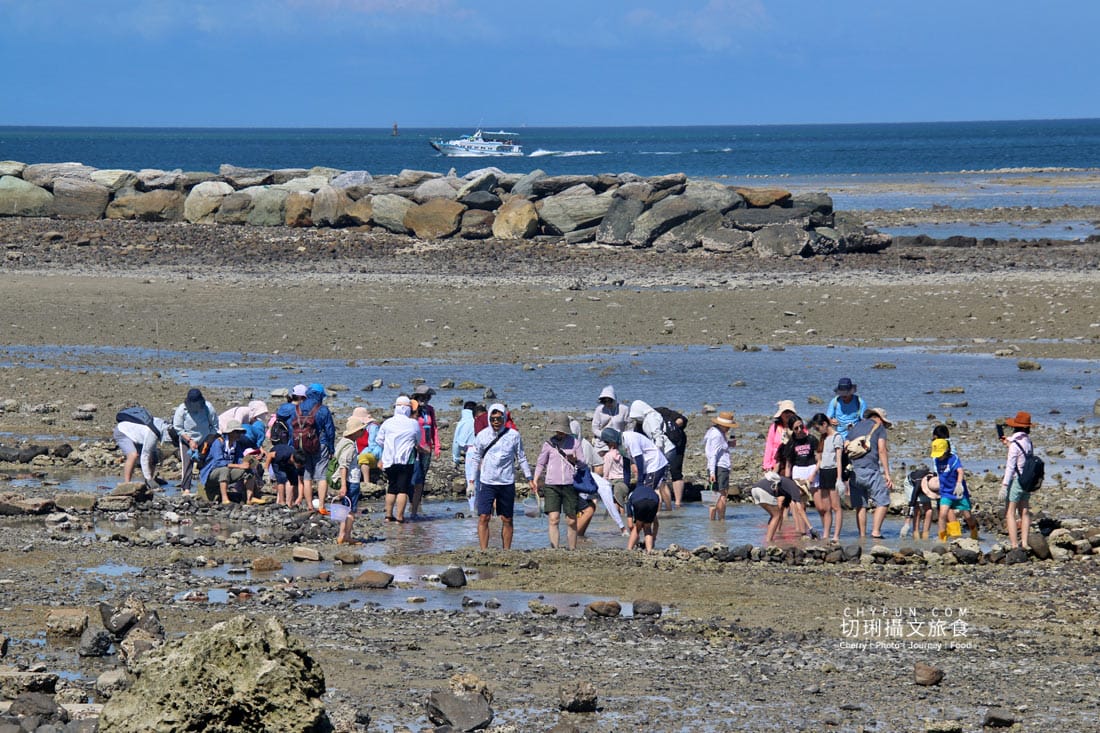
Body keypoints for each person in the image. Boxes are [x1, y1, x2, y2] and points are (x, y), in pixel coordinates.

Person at [466, 403, 533, 550]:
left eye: (499, 418)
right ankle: (484, 550)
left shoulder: (513, 435)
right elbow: (476, 458)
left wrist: (529, 478)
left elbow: (521, 457)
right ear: (489, 418)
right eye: (493, 418)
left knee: (507, 519)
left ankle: (506, 551)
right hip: (487, 481)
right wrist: (471, 481)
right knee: (484, 517)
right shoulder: (483, 435)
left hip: (506, 481)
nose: (496, 421)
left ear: (504, 418)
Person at [600, 428, 668, 552]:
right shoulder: (620, 445)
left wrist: (640, 483)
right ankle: (644, 537)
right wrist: (626, 485)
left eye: (609, 443)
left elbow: (639, 461)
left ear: (612, 439)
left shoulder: (630, 439)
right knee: (643, 504)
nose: (609, 447)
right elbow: (626, 465)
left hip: (655, 465)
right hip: (648, 467)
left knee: (645, 499)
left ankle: (647, 537)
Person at [533, 414, 585, 549]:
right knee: (553, 518)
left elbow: (583, 464)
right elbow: (540, 464)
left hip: (570, 484)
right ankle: (555, 549)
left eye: (562, 430)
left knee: (571, 520)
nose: (560, 433)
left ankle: (572, 549)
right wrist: (535, 479)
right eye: (558, 430)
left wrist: (574, 460)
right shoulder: (548, 444)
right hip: (552, 484)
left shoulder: (575, 443)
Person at [845, 407, 895, 540]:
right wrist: (887, 474)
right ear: (880, 418)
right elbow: (882, 450)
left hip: (854, 471)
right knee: (883, 500)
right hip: (870, 469)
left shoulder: (855, 427)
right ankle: (875, 532)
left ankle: (862, 536)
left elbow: (846, 446)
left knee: (860, 505)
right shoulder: (879, 428)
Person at [570, 419, 625, 536]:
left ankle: (578, 536)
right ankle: (574, 537)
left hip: (582, 484)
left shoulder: (584, 445)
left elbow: (598, 465)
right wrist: (622, 527)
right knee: (587, 509)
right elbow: (599, 466)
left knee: (587, 509)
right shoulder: (584, 444)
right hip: (574, 484)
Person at [376, 396, 424, 524]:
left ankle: (388, 515)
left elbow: (379, 440)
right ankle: (399, 517)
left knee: (392, 487)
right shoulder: (413, 423)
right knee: (402, 489)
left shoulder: (388, 422)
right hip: (406, 460)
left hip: (389, 459)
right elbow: (418, 440)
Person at [627, 399, 675, 509]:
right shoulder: (653, 416)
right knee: (662, 482)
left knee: (658, 484)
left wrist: (657, 454)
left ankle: (657, 509)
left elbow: (658, 438)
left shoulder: (651, 418)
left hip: (664, 452)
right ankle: (667, 508)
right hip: (666, 451)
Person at [930, 438, 979, 541]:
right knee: (942, 514)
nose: (939, 457)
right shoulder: (936, 460)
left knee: (967, 516)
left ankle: (974, 532)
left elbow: (960, 471)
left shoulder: (954, 458)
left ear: (947, 450)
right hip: (945, 492)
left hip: (959, 491)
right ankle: (942, 539)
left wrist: (959, 483)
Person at [198, 419, 258, 505]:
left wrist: (247, 463)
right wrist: (239, 466)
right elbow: (218, 462)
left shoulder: (236, 445)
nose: (239, 435)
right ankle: (225, 499)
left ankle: (250, 498)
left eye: (240, 432)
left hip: (227, 471)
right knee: (224, 470)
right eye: (237, 432)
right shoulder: (218, 443)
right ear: (230, 432)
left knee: (248, 471)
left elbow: (239, 458)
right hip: (211, 472)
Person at [171, 388, 218, 495]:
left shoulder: (208, 408)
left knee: (205, 462)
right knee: (187, 464)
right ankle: (186, 489)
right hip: (186, 439)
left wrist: (208, 440)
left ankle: (205, 486)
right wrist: (190, 440)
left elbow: (214, 426)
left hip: (205, 438)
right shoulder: (182, 409)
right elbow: (178, 428)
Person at [1000, 410, 1036, 550]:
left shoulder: (1015, 444)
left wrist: (1004, 485)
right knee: (1025, 510)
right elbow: (1022, 455)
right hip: (1027, 480)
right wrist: (1009, 443)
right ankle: (1025, 543)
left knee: (1010, 512)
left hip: (1016, 480)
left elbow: (1010, 467)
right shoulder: (1028, 441)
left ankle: (1014, 544)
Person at [750, 473, 814, 545]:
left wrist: (778, 531)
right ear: (801, 489)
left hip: (754, 489)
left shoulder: (787, 487)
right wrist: (811, 528)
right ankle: (769, 541)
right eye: (803, 493)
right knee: (776, 515)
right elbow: (800, 510)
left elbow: (781, 508)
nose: (801, 495)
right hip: (764, 491)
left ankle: (769, 538)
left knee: (774, 514)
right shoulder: (795, 488)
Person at [332, 416, 367, 545]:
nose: (363, 432)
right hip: (351, 481)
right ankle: (345, 536)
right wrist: (343, 486)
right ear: (355, 432)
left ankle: (342, 535)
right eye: (361, 430)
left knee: (344, 509)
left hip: (346, 481)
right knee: (351, 511)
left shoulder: (342, 442)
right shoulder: (351, 446)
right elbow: (344, 465)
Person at [810, 413, 844, 542]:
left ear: (824, 424)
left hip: (833, 471)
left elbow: (839, 460)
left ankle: (836, 536)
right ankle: (826, 535)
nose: (818, 431)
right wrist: (814, 473)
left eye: (818, 428)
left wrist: (839, 479)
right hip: (823, 472)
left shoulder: (836, 437)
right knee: (826, 507)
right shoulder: (823, 438)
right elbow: (820, 459)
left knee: (836, 506)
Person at [409, 384, 441, 519]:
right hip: (414, 448)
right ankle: (411, 501)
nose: (425, 399)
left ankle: (417, 504)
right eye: (422, 397)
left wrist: (437, 446)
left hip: (427, 448)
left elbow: (434, 428)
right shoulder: (412, 410)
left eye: (427, 397)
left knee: (422, 476)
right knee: (412, 476)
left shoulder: (430, 410)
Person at [114, 412, 170, 487]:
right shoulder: (153, 433)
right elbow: (144, 456)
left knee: (153, 456)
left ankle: (150, 481)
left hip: (138, 435)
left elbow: (151, 453)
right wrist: (148, 478)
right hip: (122, 431)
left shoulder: (163, 426)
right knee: (133, 455)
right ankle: (126, 484)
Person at [703, 411, 737, 521]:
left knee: (713, 494)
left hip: (714, 466)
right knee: (722, 494)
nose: (728, 429)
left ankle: (712, 520)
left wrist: (729, 444)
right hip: (720, 467)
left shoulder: (713, 432)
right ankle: (721, 520)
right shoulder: (717, 435)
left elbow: (715, 450)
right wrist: (712, 472)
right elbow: (713, 454)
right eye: (727, 426)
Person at [655, 405, 688, 508]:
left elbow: (682, 419)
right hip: (661, 444)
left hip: (677, 441)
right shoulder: (642, 421)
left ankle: (678, 503)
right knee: (659, 474)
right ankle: (660, 503)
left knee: (675, 470)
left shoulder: (664, 412)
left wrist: (670, 429)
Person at [591, 385, 630, 454]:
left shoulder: (624, 409)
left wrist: (623, 438)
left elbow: (629, 427)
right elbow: (594, 428)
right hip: (603, 441)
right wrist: (604, 436)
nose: (607, 404)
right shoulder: (599, 410)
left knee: (624, 457)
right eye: (604, 401)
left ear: (614, 399)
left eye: (609, 401)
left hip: (619, 440)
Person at [763, 400, 797, 473]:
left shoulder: (799, 427)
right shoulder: (774, 427)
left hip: (794, 463)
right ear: (781, 414)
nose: (788, 414)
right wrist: (767, 465)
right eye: (785, 412)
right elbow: (769, 446)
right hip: (776, 464)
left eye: (790, 412)